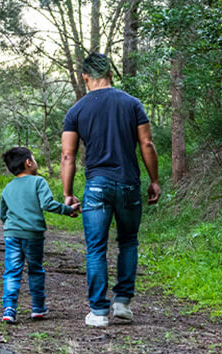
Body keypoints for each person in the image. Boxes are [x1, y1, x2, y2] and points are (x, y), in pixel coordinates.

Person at [61, 52, 160, 328]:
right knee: (128, 241)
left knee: (96, 249)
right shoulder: (132, 104)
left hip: (96, 186)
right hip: (129, 183)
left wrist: (68, 193)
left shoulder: (76, 111)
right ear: (111, 74)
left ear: (85, 77)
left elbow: (68, 156)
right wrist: (154, 180)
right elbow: (147, 144)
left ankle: (99, 312)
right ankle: (123, 304)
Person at [0, 146, 80, 324]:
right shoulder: (38, 182)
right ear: (28, 163)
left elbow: (2, 214)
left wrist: (12, 224)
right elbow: (48, 204)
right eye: (34, 159)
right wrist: (67, 210)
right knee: (35, 269)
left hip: (11, 234)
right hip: (33, 235)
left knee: (12, 271)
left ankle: (9, 309)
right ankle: (37, 308)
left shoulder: (8, 188)